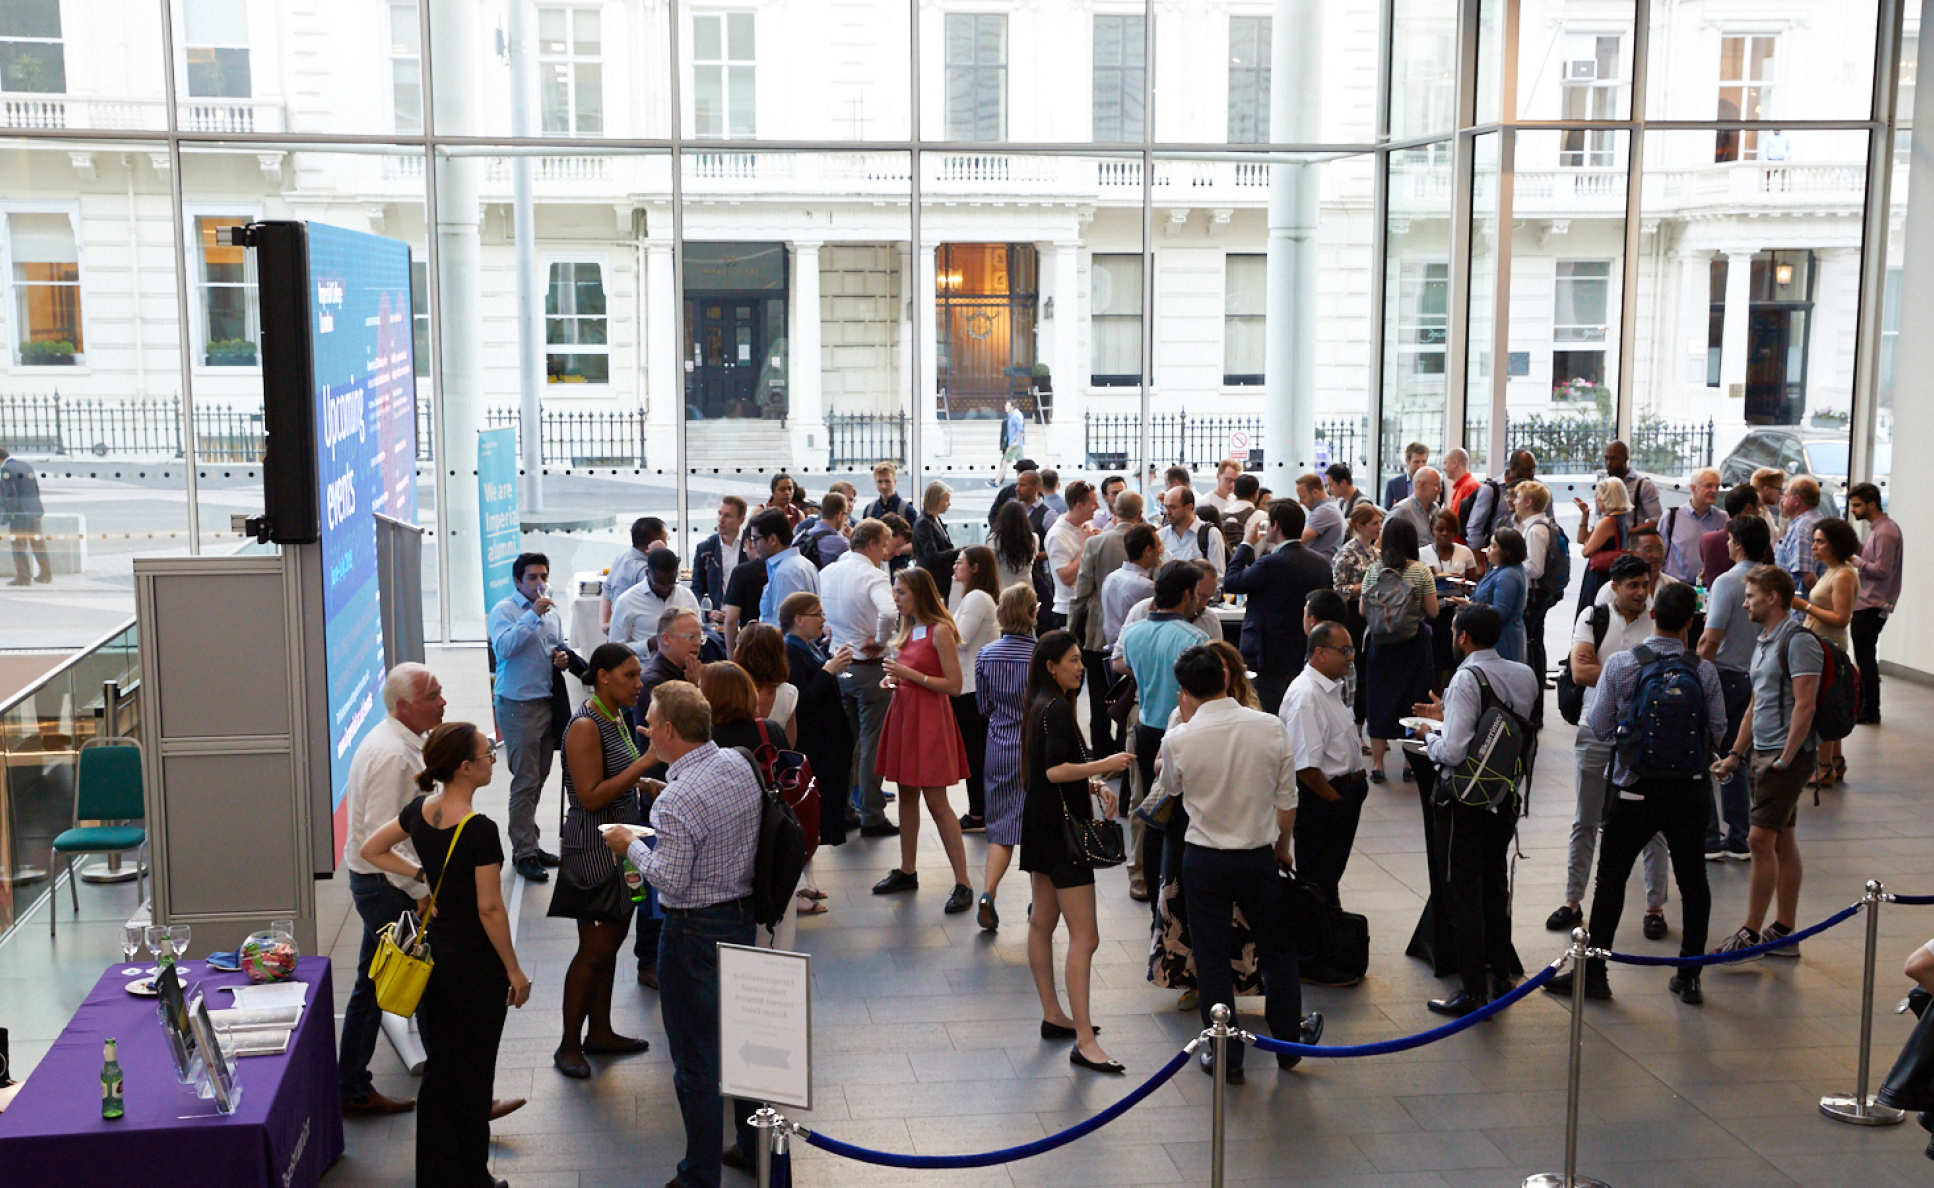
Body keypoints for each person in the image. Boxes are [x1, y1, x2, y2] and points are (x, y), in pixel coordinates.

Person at [600, 682, 765, 1188]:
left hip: (692, 933)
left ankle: (699, 1173)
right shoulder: (737, 763)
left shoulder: (678, 800)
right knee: (741, 1042)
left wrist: (629, 843)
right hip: (740, 918)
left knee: (695, 1057)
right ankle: (752, 1147)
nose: (645, 727)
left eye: (651, 720)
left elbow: (669, 878)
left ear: (668, 730)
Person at [359, 722, 533, 1188]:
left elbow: (370, 848)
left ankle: (435, 1176)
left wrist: (422, 873)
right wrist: (514, 970)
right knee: (474, 1075)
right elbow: (490, 908)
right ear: (465, 767)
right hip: (476, 967)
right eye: (486, 753)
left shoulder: (420, 812)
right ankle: (472, 1176)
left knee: (440, 1073)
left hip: (436, 961)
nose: (492, 758)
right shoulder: (479, 830)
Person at [1547, 581, 1727, 1005]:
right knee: (1694, 881)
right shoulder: (1703, 670)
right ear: (1689, 622)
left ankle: (1594, 973)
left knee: (1610, 880)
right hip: (1688, 793)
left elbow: (1600, 726)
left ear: (1652, 613)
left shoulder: (1623, 664)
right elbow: (1717, 730)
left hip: (1633, 789)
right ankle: (1689, 975)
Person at [1163, 643, 1319, 1082]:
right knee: (1277, 950)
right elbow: (1287, 798)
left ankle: (1226, 1054)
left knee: (1212, 958)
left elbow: (1171, 788)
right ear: (1228, 677)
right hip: (1257, 854)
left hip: (1205, 859)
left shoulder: (1180, 737)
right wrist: (1282, 845)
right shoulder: (1269, 727)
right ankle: (1288, 1043)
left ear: (1185, 691)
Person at [1413, 606, 1539, 1016]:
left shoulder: (1467, 677)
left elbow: (1454, 749)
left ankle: (1471, 989)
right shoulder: (1525, 674)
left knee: (1462, 890)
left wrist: (1429, 736)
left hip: (1463, 801)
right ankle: (1500, 974)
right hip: (1503, 796)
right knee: (1495, 883)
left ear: (1463, 636)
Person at [1020, 629, 1130, 1073]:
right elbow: (1053, 770)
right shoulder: (1058, 710)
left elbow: (1048, 772)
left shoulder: (1040, 706)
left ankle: (1053, 1012)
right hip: (1064, 835)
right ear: (1051, 666)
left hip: (1041, 826)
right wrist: (1106, 764)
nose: (1080, 666)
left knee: (1042, 922)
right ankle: (1084, 1040)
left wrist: (1090, 780)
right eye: (1071, 661)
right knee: (1086, 937)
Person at [1546, 555, 1670, 937]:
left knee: (1654, 826)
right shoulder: (1593, 617)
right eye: (1631, 585)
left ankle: (1655, 907)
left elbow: (1668, 672)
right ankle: (1571, 901)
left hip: (1645, 735)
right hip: (1595, 728)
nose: (1640, 592)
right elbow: (1580, 671)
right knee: (1585, 819)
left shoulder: (1657, 620)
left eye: (1644, 584)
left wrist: (1614, 671)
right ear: (1614, 587)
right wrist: (1637, 673)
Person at [547, 644, 656, 1079]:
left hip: (620, 848)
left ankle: (601, 1032)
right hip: (594, 853)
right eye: (629, 675)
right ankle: (569, 1044)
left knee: (610, 947)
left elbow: (617, 775)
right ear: (604, 676)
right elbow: (590, 796)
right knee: (592, 952)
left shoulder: (616, 717)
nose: (638, 683)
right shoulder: (585, 726)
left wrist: (644, 780)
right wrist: (645, 764)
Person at [338, 663, 442, 1117]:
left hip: (381, 884)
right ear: (403, 706)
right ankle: (454, 1091)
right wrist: (417, 889)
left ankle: (352, 1085)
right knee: (426, 983)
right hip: (388, 888)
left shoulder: (400, 743)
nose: (443, 701)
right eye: (433, 696)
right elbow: (379, 837)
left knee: (375, 982)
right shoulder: (395, 756)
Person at [1709, 566, 1819, 962]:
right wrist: (1736, 754)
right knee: (1782, 839)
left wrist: (1787, 758)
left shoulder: (1798, 641)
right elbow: (1757, 704)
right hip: (1765, 752)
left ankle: (1751, 932)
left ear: (1773, 597)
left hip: (1785, 755)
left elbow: (1805, 704)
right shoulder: (1763, 640)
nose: (1745, 603)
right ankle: (1785, 930)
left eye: (1751, 596)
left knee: (1759, 840)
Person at [871, 567, 975, 912]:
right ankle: (907, 868)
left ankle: (963, 881)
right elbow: (911, 675)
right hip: (906, 713)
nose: (895, 599)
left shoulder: (941, 631)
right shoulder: (909, 627)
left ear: (919, 594)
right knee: (906, 793)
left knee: (937, 800)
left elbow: (954, 686)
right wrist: (895, 682)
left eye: (901, 592)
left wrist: (907, 675)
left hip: (929, 719)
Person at [1119, 562, 1212, 913]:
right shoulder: (1195, 640)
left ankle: (1148, 875)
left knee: (1147, 805)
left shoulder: (1134, 633)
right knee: (1184, 809)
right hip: (1183, 730)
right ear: (1187, 594)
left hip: (1144, 727)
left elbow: (1127, 666)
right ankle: (1179, 882)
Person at [487, 552, 571, 883]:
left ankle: (530, 843)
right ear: (517, 581)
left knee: (539, 777)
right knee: (524, 781)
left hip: (547, 703)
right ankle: (523, 852)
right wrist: (532, 615)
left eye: (543, 576)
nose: (539, 583)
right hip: (517, 704)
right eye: (533, 577)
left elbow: (556, 645)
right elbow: (504, 649)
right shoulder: (504, 611)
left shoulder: (552, 612)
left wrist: (562, 657)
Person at [1697, 514, 1772, 863]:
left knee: (1711, 756)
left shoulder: (1728, 582)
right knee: (1739, 757)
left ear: (1737, 544)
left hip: (1725, 677)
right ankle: (1740, 837)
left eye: (1729, 540)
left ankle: (1710, 836)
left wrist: (1697, 672)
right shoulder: (1771, 580)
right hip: (1757, 677)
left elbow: (1711, 638)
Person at [1279, 621, 1368, 911]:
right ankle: (1317, 945)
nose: (1351, 656)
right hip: (1324, 800)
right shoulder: (1307, 696)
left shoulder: (1328, 689)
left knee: (1328, 877)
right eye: (1344, 650)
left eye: (1352, 649)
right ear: (1319, 653)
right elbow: (1305, 767)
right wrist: (1335, 802)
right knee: (1317, 878)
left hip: (1341, 794)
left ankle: (1328, 935)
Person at [821, 518, 898, 837]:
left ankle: (846, 807)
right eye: (884, 545)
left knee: (848, 743)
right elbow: (890, 613)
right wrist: (881, 640)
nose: (886, 552)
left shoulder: (827, 573)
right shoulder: (874, 576)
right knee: (871, 743)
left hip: (838, 665)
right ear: (870, 544)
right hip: (869, 668)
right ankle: (872, 814)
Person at [975, 584, 1042, 928]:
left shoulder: (986, 654)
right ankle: (1037, 903)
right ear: (1032, 613)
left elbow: (983, 707)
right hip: (1035, 747)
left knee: (1001, 829)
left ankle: (988, 893)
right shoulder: (1041, 655)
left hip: (999, 745)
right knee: (1035, 825)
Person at [1224, 500, 1332, 713]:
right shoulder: (1321, 563)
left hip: (1265, 654)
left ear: (1275, 526)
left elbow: (1231, 582)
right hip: (1303, 650)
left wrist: (1247, 544)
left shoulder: (1270, 564)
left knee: (1266, 712)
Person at [1359, 517, 1438, 783]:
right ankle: (1409, 763)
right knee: (1413, 702)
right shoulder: (1421, 571)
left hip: (1380, 646)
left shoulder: (1374, 570)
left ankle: (1378, 765)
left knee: (1378, 701)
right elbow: (1433, 611)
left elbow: (1362, 610)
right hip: (1413, 646)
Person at [1070, 489, 1146, 751]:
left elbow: (1081, 592)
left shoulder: (1096, 543)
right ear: (1139, 512)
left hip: (1098, 631)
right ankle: (1127, 750)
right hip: (1139, 632)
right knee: (1135, 694)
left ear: (1114, 511)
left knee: (1098, 698)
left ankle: (1103, 752)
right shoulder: (1149, 542)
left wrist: (1072, 631)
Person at [780, 592, 855, 852]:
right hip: (817, 741)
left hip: (830, 738)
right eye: (817, 614)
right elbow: (802, 700)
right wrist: (828, 670)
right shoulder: (789, 651)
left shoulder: (808, 645)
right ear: (799, 619)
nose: (822, 619)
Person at [1790, 516, 1859, 791]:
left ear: (1834, 545)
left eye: (1820, 542)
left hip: (1829, 646)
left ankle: (1824, 765)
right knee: (1828, 700)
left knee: (1822, 705)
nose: (1814, 547)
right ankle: (1835, 760)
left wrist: (1804, 606)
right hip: (1820, 643)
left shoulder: (1842, 574)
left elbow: (1841, 617)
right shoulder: (1833, 571)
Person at [949, 545, 1001, 832]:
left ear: (975, 568)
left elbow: (959, 638)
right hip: (973, 685)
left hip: (971, 687)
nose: (955, 567)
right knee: (976, 749)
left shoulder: (977, 598)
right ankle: (981, 810)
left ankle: (979, 812)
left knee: (975, 751)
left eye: (960, 563)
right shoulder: (974, 597)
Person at [1846, 482, 1899, 724]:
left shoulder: (1886, 532)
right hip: (1869, 602)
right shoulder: (1878, 530)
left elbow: (1882, 570)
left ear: (1872, 504)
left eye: (1857, 505)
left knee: (1866, 659)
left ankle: (1870, 710)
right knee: (1864, 657)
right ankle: (1867, 707)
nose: (1854, 510)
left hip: (1872, 603)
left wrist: (1855, 560)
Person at [1512, 480, 1557, 710]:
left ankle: (1533, 702)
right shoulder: (1540, 525)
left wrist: (1513, 562)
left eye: (1518, 498)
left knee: (1532, 645)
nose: (1515, 502)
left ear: (1529, 502)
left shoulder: (1535, 530)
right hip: (1539, 594)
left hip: (1535, 595)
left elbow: (1535, 568)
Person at [609, 548, 701, 660]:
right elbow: (614, 649)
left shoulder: (687, 596)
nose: (666, 588)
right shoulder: (627, 601)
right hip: (644, 669)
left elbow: (699, 633)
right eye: (660, 583)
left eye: (671, 582)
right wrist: (648, 645)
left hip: (684, 666)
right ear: (647, 573)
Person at [1043, 480, 1098, 633]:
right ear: (1079, 505)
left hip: (1090, 608)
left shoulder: (1086, 526)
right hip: (1069, 611)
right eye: (1093, 503)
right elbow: (1066, 578)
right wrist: (1086, 546)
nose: (1098, 507)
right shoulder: (1057, 535)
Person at [1468, 527, 1529, 663]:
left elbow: (1500, 612)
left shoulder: (1508, 576)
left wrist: (1470, 606)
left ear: (1506, 552)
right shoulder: (1499, 569)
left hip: (1503, 640)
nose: (1488, 549)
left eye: (1494, 546)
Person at [751, 506, 818, 627]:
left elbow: (783, 626)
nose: (753, 545)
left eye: (756, 539)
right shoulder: (805, 564)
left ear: (772, 539)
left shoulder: (785, 573)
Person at [1574, 476, 1633, 612]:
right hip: (1612, 574)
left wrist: (1590, 539)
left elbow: (1585, 551)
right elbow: (1582, 539)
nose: (1597, 498)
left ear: (1607, 496)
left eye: (1599, 494)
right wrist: (1585, 515)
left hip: (1599, 576)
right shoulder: (1622, 518)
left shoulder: (1607, 521)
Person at [733, 622, 797, 746]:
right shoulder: (789, 694)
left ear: (742, 653)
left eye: (737, 645)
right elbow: (789, 745)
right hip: (771, 763)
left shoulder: (728, 689)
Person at [602, 516, 669, 632]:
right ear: (654, 544)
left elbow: (606, 590)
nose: (667, 544)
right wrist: (662, 555)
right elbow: (668, 591)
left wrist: (604, 623)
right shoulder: (645, 571)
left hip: (619, 629)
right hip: (638, 634)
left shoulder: (622, 558)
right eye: (665, 539)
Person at [1662, 469, 1725, 584]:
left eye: (1717, 487)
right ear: (1692, 488)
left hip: (1709, 588)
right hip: (1676, 587)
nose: (1714, 491)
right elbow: (1660, 554)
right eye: (1709, 486)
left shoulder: (1723, 519)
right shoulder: (1671, 517)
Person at [690, 497, 747, 624]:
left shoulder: (752, 545)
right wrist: (709, 612)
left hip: (745, 619)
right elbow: (697, 589)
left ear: (741, 520)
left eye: (728, 516)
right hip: (715, 620)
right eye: (720, 514)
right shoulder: (705, 548)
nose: (721, 520)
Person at [0, 447, 50, 585]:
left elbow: (9, 495)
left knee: (19, 546)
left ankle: (23, 577)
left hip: (19, 514)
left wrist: (8, 515)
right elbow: (35, 489)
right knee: (38, 544)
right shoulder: (25, 465)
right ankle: (46, 574)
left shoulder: (6, 470)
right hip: (35, 510)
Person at [1158, 484, 1228, 576]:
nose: (1167, 512)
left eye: (1173, 507)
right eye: (1165, 507)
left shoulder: (1210, 534)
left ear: (1189, 507)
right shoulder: (1161, 536)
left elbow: (1218, 576)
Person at [1774, 476, 1827, 595]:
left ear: (1796, 500)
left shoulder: (1802, 528)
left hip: (1801, 608)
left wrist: (1820, 602)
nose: (1782, 500)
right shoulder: (1816, 520)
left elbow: (1807, 577)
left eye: (1786, 495)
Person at [1703, 485, 1760, 587]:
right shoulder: (1758, 541)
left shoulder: (1707, 540)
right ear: (1748, 508)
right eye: (1758, 507)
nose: (1759, 511)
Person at [720, 532, 765, 654]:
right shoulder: (784, 568)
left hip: (751, 646)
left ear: (748, 543)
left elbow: (731, 621)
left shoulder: (741, 572)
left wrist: (732, 657)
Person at [912, 479, 959, 591]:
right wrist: (957, 552)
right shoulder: (924, 523)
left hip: (940, 578)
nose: (949, 504)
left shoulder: (935, 519)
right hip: (932, 580)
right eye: (946, 500)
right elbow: (931, 556)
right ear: (936, 500)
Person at [1603, 439, 1662, 527]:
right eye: (1606, 458)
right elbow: (1599, 517)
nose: (1609, 463)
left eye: (1614, 458)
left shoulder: (1644, 486)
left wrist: (1626, 533)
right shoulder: (1603, 486)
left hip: (1631, 539)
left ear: (1626, 458)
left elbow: (1657, 521)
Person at [1296, 472, 1345, 561]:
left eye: (1302, 497)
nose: (1300, 502)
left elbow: (1298, 541)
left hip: (1318, 567)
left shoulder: (1325, 511)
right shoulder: (1329, 507)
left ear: (1315, 492)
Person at [797, 491, 852, 569]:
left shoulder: (801, 535)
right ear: (839, 515)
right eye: (845, 514)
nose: (846, 519)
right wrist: (850, 538)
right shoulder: (841, 543)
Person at [1388, 465, 1441, 545]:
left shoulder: (1436, 508)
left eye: (1441, 486)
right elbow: (1384, 541)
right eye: (1436, 486)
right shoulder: (1402, 510)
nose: (1440, 490)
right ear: (1420, 485)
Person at [1385, 441, 1429, 509]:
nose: (1421, 465)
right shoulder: (1393, 485)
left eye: (1424, 461)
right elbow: (1387, 513)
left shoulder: (1433, 484)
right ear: (1407, 460)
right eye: (1416, 462)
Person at [993, 396, 1026, 487]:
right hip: (1017, 444)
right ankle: (1024, 481)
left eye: (1007, 405)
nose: (1005, 407)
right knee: (1021, 464)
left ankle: (997, 482)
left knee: (1005, 462)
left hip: (1014, 444)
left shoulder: (1015, 416)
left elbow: (1021, 430)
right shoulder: (1013, 415)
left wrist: (1015, 442)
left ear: (1012, 407)